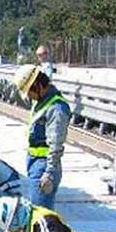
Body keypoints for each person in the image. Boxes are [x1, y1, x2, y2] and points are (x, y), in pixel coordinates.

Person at [14, 64, 70, 209]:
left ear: (37, 85)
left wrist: (49, 173)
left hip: (44, 167)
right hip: (35, 163)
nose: (29, 96)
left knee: (41, 213)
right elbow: (15, 95)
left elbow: (56, 145)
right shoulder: (41, 100)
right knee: (38, 210)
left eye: (29, 92)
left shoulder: (56, 108)